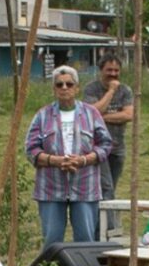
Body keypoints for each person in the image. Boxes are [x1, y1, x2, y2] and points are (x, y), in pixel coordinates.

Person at [27, 65, 111, 245]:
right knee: (51, 240)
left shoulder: (91, 113)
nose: (64, 88)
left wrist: (84, 160)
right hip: (50, 188)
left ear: (77, 88)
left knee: (86, 239)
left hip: (85, 187)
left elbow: (106, 144)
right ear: (54, 89)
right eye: (59, 84)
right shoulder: (42, 115)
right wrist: (54, 161)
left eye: (69, 84)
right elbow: (31, 149)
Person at [84, 54, 136, 227]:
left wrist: (102, 116)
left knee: (110, 188)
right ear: (101, 70)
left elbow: (129, 115)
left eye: (116, 70)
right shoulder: (91, 89)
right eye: (109, 70)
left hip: (118, 146)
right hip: (98, 147)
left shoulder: (126, 90)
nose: (113, 74)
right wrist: (111, 91)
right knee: (106, 188)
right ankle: (110, 230)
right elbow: (92, 112)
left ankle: (99, 223)